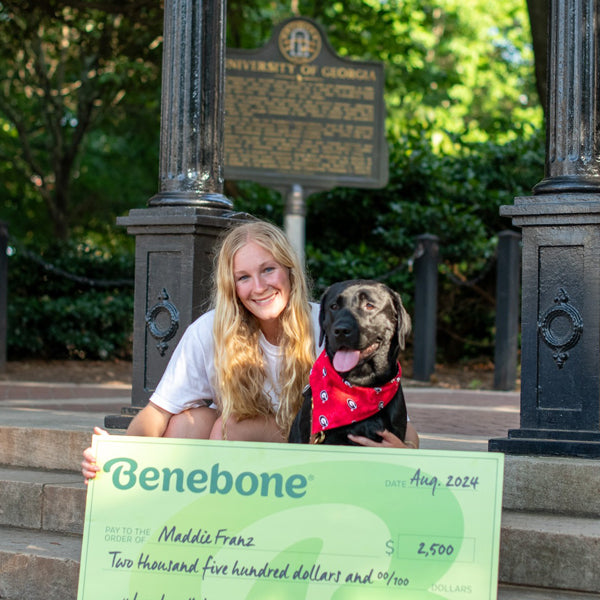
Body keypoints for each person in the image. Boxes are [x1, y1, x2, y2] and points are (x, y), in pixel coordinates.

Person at [82, 219, 419, 481]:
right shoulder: (209, 331)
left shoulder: (329, 324)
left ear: (289, 270)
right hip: (242, 447)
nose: (258, 287)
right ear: (232, 286)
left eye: (268, 270)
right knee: (188, 424)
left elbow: (390, 410)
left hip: (311, 443)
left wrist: (407, 452)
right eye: (243, 277)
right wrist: (115, 462)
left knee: (231, 430)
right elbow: (156, 414)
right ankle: (187, 526)